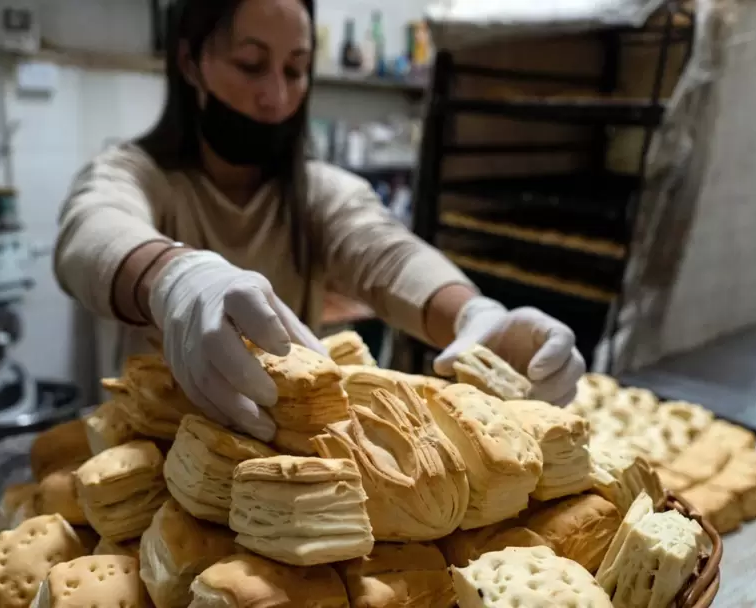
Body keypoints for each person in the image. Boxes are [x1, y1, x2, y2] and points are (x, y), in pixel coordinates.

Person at [54, 0, 585, 442]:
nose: (276, 96)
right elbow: (92, 230)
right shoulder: (140, 176)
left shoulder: (318, 195)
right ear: (192, 63)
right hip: (156, 452)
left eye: (295, 69)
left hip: (285, 459)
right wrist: (175, 279)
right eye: (250, 64)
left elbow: (384, 253)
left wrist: (474, 315)